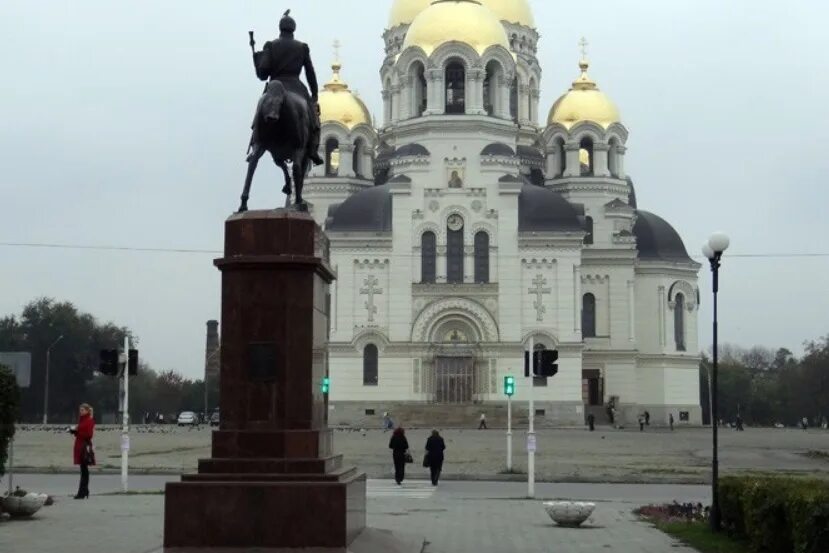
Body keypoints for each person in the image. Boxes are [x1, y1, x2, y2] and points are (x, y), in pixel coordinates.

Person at [250, 10, 323, 166]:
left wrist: (257, 62)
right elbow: (310, 72)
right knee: (314, 118)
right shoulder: (302, 47)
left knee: (260, 111)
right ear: (293, 29)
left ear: (280, 28)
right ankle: (313, 151)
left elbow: (263, 74)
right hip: (296, 86)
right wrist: (314, 95)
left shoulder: (270, 45)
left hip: (275, 86)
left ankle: (255, 144)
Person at [70, 403, 95, 499]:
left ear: (87, 411)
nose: (81, 412)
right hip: (80, 445)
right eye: (80, 410)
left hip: (84, 446)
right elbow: (81, 432)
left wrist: (77, 432)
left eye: (83, 410)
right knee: (83, 470)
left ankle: (82, 492)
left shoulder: (89, 420)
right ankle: (84, 491)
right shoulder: (82, 420)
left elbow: (89, 434)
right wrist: (74, 431)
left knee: (84, 470)